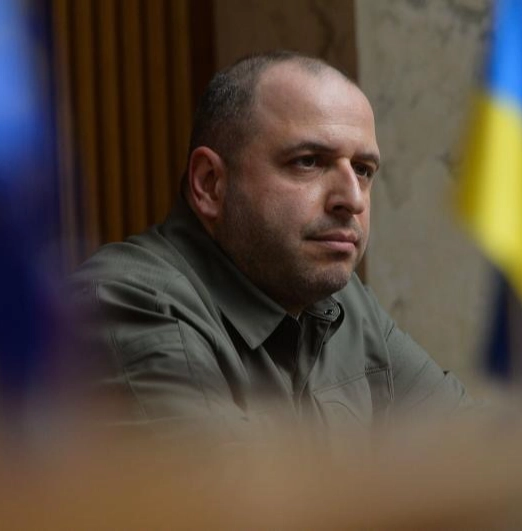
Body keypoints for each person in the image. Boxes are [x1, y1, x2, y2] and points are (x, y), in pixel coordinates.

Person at [68, 51, 473, 444]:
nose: (353, 199)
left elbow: (479, 449)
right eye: (309, 161)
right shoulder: (129, 303)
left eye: (363, 170)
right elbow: (233, 490)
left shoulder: (345, 303)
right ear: (210, 183)